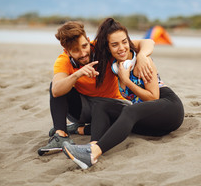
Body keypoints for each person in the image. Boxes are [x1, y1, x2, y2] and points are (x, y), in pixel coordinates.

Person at [62, 18, 184, 169]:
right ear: (108, 48)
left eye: (124, 42)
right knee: (101, 105)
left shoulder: (142, 62)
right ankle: (92, 144)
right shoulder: (114, 65)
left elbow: (153, 97)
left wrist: (128, 79)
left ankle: (93, 154)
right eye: (115, 45)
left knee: (129, 110)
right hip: (149, 123)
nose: (121, 48)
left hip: (169, 110)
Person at [38, 21, 155, 155]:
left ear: (88, 40)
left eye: (84, 46)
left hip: (111, 106)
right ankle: (61, 135)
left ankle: (80, 130)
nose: (83, 53)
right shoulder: (63, 60)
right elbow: (56, 91)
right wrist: (78, 74)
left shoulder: (101, 48)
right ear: (66, 50)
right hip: (84, 110)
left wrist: (142, 55)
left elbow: (148, 42)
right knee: (56, 84)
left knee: (115, 120)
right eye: (76, 50)